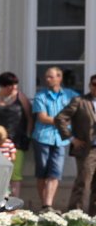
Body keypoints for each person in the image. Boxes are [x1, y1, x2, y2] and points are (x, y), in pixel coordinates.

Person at [32, 66, 77, 211]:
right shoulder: (40, 96)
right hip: (42, 137)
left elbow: (81, 109)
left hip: (62, 139)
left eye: (50, 77)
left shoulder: (70, 95)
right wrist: (63, 121)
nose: (47, 79)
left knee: (55, 173)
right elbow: (43, 117)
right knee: (42, 173)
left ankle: (48, 205)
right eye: (46, 77)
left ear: (60, 78)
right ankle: (44, 206)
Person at [56, 74, 96, 214]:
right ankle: (75, 215)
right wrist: (72, 138)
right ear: (90, 85)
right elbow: (60, 118)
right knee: (83, 182)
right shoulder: (79, 101)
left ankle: (94, 217)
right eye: (94, 84)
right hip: (87, 149)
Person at [0, 72, 30, 199]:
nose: (14, 87)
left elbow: (29, 117)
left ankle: (14, 201)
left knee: (15, 173)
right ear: (3, 86)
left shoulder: (21, 97)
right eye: (10, 85)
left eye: (15, 84)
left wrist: (28, 135)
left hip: (17, 141)